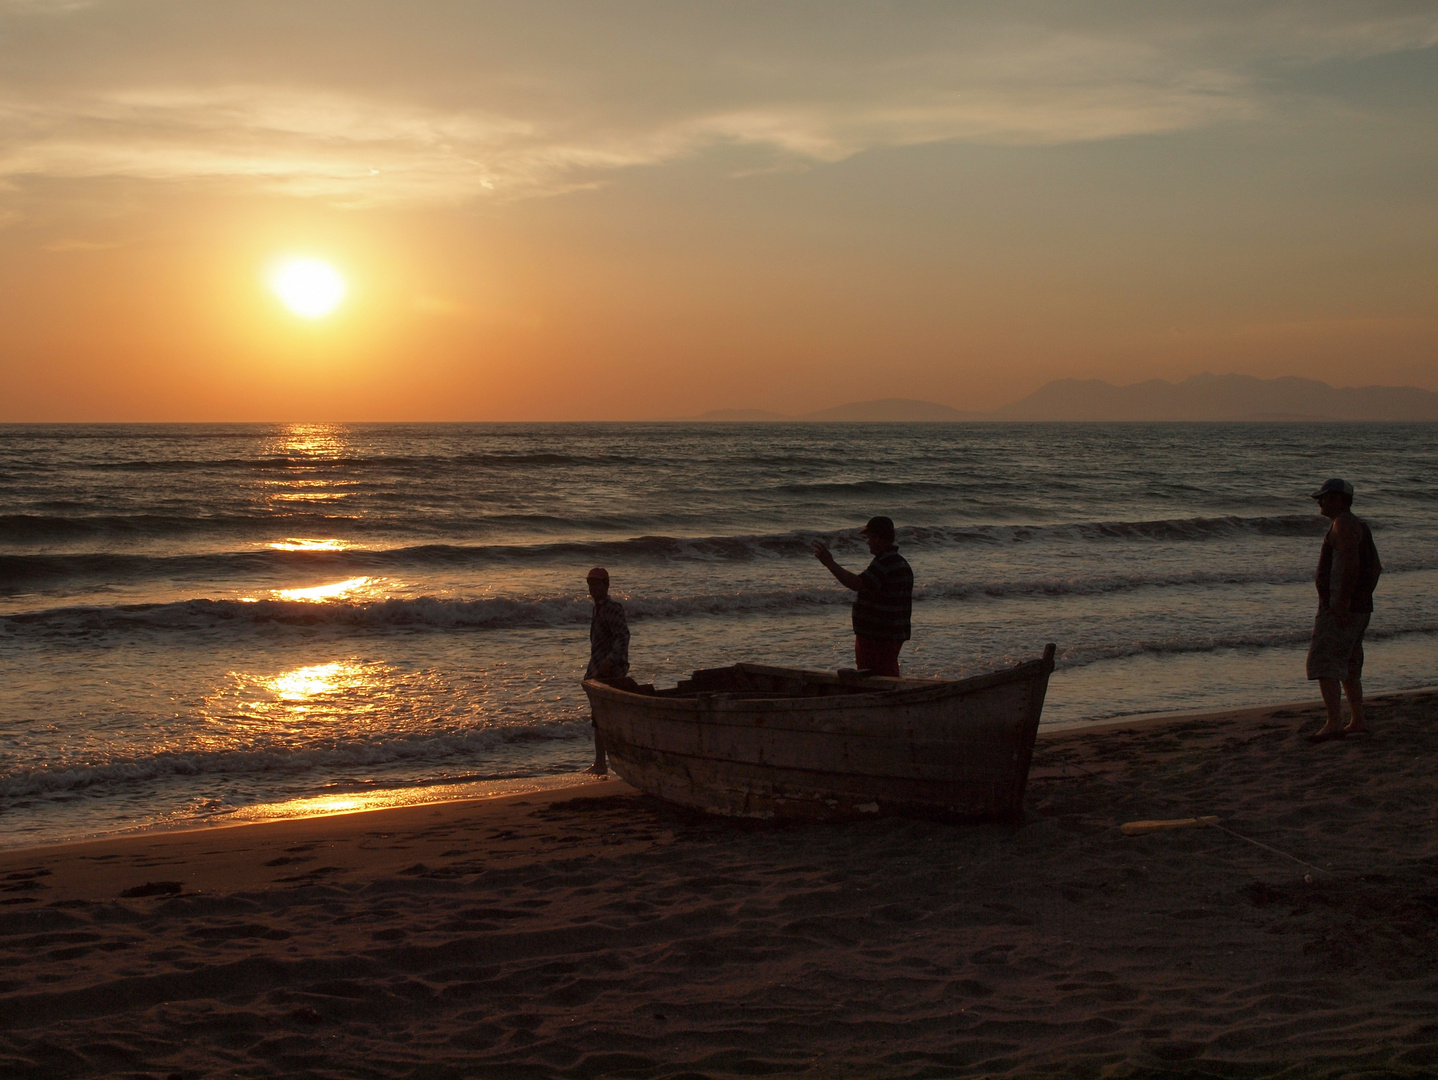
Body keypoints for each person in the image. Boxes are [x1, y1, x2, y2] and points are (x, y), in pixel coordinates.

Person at [1305, 478, 1381, 743]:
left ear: (1338, 499)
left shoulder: (1344, 524)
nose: (1319, 502)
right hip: (1357, 607)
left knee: (1325, 662)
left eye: (1323, 497)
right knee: (1349, 664)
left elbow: (1350, 563)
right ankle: (1356, 720)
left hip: (1342, 608)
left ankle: (1334, 722)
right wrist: (1362, 599)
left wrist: (1341, 603)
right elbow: (1375, 568)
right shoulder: (1358, 525)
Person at [811, 516, 913, 677]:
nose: (867, 542)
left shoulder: (885, 563)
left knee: (875, 674)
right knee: (885, 671)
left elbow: (857, 583)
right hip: (889, 632)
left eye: (869, 537)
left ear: (878, 537)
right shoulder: (898, 562)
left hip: (879, 634)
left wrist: (830, 563)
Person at [583, 566, 629, 773]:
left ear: (606, 585)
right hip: (598, 667)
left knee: (603, 715)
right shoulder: (597, 608)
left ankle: (603, 763)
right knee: (598, 716)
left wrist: (610, 661)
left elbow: (623, 636)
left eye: (596, 583)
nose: (592, 587)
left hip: (610, 670)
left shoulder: (612, 607)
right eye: (590, 583)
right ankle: (600, 762)